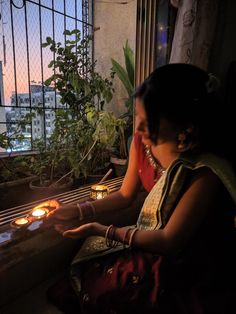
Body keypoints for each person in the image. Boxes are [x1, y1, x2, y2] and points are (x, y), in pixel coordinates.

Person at [47, 63, 236, 314]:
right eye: (138, 118)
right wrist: (79, 210)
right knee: (96, 278)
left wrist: (102, 230)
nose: (136, 129)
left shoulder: (205, 170)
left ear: (184, 131)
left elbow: (170, 241)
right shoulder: (142, 142)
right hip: (151, 238)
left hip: (190, 252)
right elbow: (125, 195)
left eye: (147, 122)